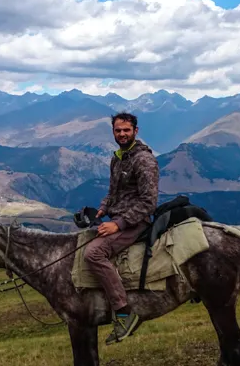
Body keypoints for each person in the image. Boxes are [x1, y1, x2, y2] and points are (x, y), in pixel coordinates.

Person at [84, 111, 160, 345]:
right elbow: (113, 193)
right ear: (113, 132)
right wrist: (101, 209)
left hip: (135, 222)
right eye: (118, 130)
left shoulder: (143, 160)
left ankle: (124, 312)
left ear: (136, 131)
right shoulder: (118, 157)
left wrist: (118, 224)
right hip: (117, 217)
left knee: (93, 252)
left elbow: (149, 202)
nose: (122, 134)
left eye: (126, 130)